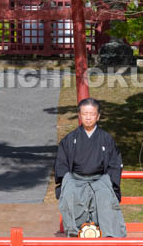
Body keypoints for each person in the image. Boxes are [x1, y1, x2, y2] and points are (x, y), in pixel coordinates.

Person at [54, 97, 127, 237]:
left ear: (98, 116)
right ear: (79, 115)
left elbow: (114, 164)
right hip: (75, 180)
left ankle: (108, 234)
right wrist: (66, 181)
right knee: (69, 193)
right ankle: (75, 232)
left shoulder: (106, 139)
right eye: (85, 114)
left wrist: (110, 184)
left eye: (92, 114)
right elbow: (61, 163)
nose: (88, 118)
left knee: (106, 196)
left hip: (100, 180)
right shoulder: (70, 139)